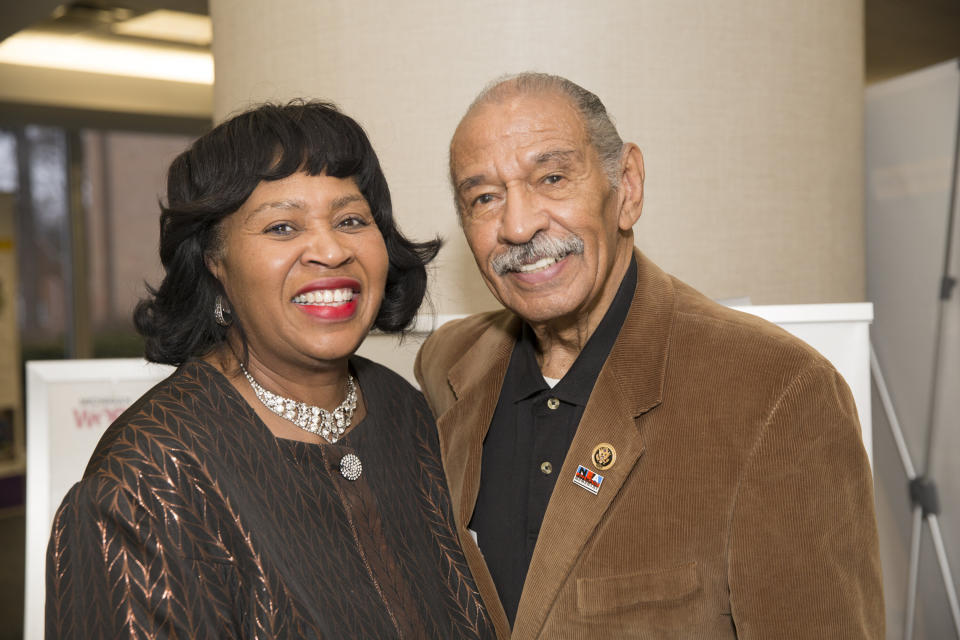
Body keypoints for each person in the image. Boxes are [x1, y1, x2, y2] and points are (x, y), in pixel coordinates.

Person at [415, 73, 884, 639]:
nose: (518, 225)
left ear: (628, 186)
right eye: (484, 198)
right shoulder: (449, 365)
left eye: (553, 177)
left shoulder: (778, 394)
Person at [46, 100, 496, 639]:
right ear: (214, 261)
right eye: (283, 227)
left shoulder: (407, 411)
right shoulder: (145, 479)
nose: (330, 250)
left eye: (351, 219)